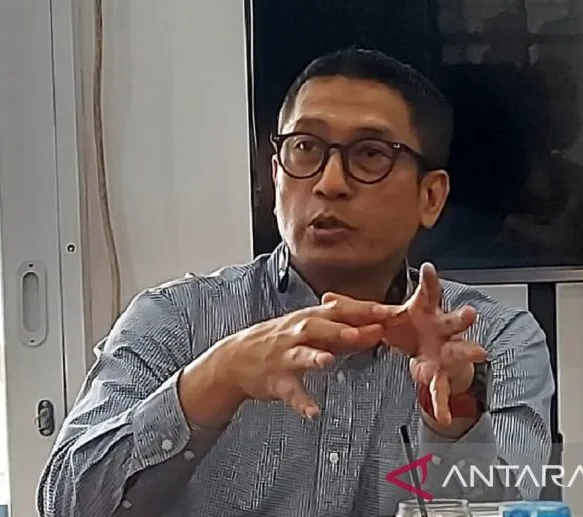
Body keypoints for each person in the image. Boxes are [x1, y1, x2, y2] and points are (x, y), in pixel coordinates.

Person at [37, 48, 554, 517]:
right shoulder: (176, 318)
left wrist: (455, 417)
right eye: (306, 147)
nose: (330, 182)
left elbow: (518, 508)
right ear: (275, 175)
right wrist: (215, 379)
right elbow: (65, 504)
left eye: (371, 154)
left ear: (430, 197)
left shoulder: (490, 338)